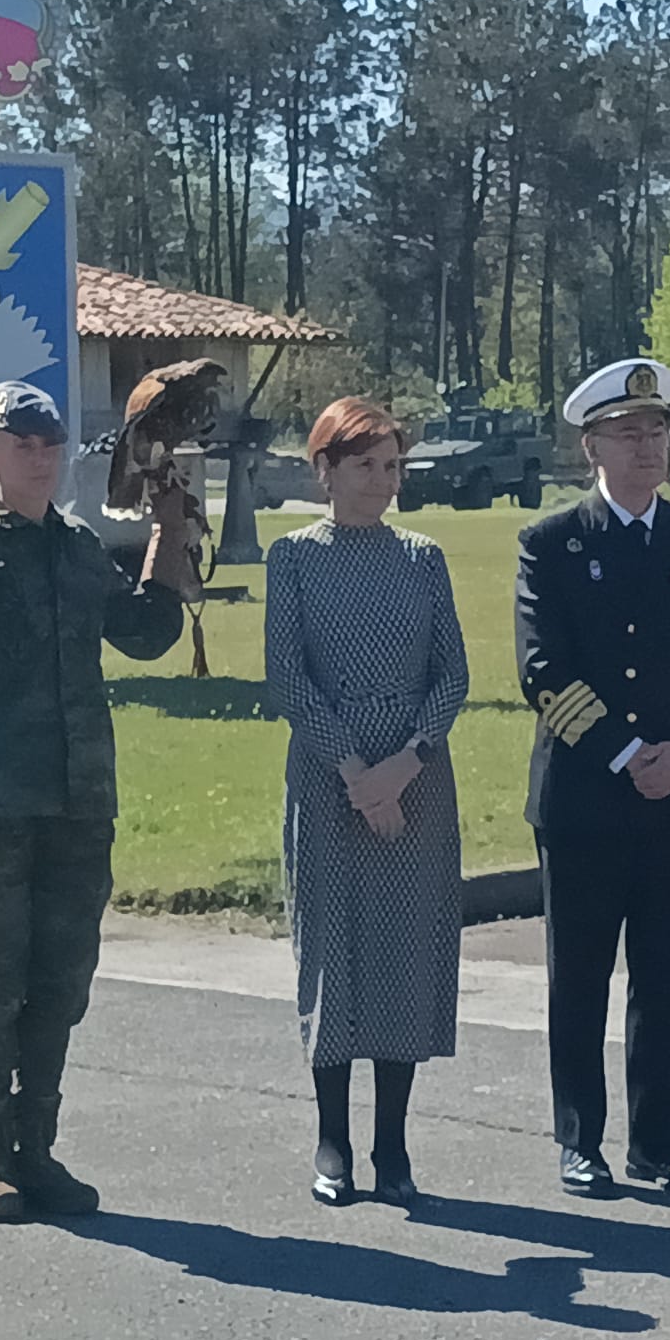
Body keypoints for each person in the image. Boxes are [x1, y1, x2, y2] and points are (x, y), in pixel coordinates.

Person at [0, 380, 185, 1222]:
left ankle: (38, 1150)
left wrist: (170, 536)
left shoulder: (73, 546)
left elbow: (144, 634)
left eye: (50, 444)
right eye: (20, 444)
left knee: (61, 983)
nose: (39, 456)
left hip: (76, 803)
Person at [515, 358, 670, 1197]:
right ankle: (581, 1138)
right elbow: (542, 668)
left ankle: (659, 1141)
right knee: (579, 977)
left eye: (657, 430)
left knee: (663, 977)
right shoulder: (553, 545)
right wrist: (626, 752)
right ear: (591, 448)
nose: (647, 446)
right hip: (584, 798)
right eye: (627, 433)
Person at [265, 397, 469, 1207]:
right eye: (365, 466)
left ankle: (393, 1144)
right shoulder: (294, 559)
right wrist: (356, 771)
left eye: (392, 467)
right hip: (329, 774)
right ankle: (332, 1138)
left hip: (416, 781)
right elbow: (288, 676)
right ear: (324, 471)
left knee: (402, 956)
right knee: (333, 950)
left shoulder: (423, 557)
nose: (383, 482)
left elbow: (452, 674)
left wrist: (404, 766)